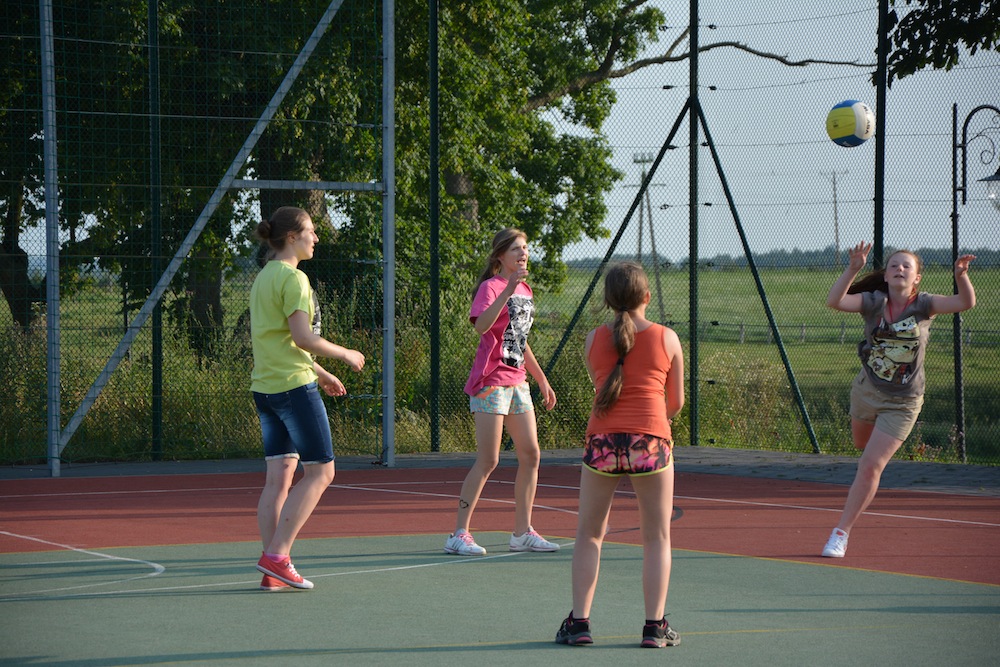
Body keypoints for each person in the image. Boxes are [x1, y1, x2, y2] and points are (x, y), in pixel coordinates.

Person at [556, 261, 685, 649]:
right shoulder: (667, 338)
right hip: (651, 441)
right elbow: (675, 403)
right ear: (647, 296)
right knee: (657, 537)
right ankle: (654, 627)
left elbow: (604, 384)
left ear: (608, 300)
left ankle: (579, 623)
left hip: (602, 442)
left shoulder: (593, 339)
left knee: (589, 533)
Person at [821, 242, 976, 558]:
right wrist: (852, 269)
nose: (899, 269)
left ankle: (840, 534)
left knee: (869, 466)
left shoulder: (924, 305)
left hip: (903, 402)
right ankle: (870, 471)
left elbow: (965, 302)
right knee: (860, 445)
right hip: (866, 390)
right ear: (886, 275)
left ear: (916, 278)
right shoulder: (873, 303)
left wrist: (961, 276)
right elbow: (834, 301)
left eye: (906, 266)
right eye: (894, 265)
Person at [250, 206, 365, 590]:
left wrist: (322, 373)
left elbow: (281, 341)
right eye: (311, 231)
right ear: (292, 237)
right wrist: (344, 354)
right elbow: (302, 338)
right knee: (322, 473)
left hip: (266, 389)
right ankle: (278, 557)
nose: (316, 238)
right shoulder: (294, 279)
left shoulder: (264, 277)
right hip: (293, 390)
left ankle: (272, 570)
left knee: (278, 481)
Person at [444, 228, 560, 556]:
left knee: (531, 455)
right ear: (500, 256)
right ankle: (458, 534)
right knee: (489, 459)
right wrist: (507, 290)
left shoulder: (526, 289)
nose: (523, 253)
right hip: (491, 382)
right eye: (516, 249)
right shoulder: (491, 287)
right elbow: (482, 326)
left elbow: (520, 340)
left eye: (525, 248)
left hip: (517, 382)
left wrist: (541, 379)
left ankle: (522, 532)